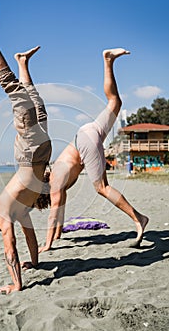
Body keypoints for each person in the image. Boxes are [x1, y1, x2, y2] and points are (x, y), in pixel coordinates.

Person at [0, 2, 51, 294]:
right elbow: (30, 237)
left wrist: (17, 284)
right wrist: (36, 262)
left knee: (15, 92)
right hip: (42, 152)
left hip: (30, 152)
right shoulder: (19, 210)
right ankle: (22, 63)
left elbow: (10, 247)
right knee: (38, 106)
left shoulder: (6, 210)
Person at [38, 48, 149, 253]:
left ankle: (139, 219)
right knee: (115, 102)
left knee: (102, 188)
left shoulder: (54, 184)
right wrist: (58, 234)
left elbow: (54, 213)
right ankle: (108, 61)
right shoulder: (56, 179)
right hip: (86, 134)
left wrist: (47, 245)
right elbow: (59, 212)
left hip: (85, 141)